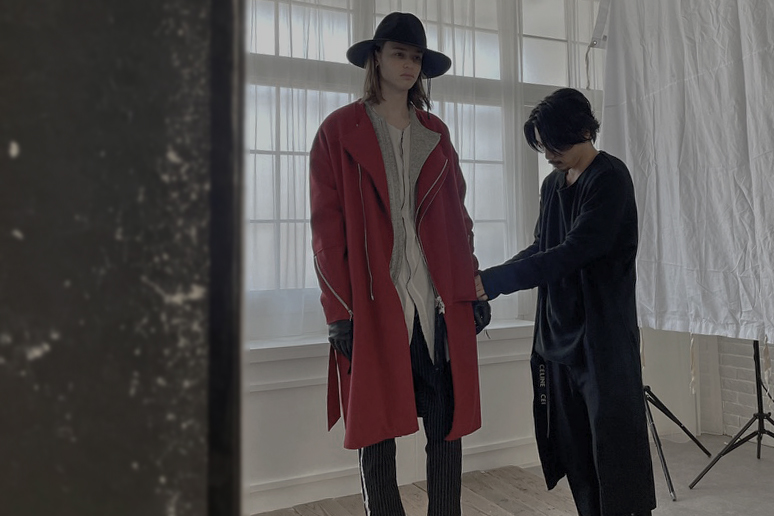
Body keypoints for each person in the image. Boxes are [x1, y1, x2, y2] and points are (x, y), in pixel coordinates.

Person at [309, 12, 490, 516]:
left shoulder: (436, 132)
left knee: (447, 430)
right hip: (373, 308)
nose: (408, 65)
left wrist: (470, 288)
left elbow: (459, 220)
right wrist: (338, 313)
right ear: (376, 58)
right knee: (376, 435)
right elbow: (326, 234)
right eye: (398, 54)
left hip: (435, 305)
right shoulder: (338, 131)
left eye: (415, 58)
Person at [474, 88, 657, 516]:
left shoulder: (610, 178)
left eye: (555, 145)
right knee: (575, 451)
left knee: (615, 451)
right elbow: (543, 247)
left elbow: (574, 251)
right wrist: (485, 280)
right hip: (557, 338)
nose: (548, 156)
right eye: (543, 146)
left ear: (585, 131)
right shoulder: (552, 184)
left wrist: (495, 282)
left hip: (602, 338)